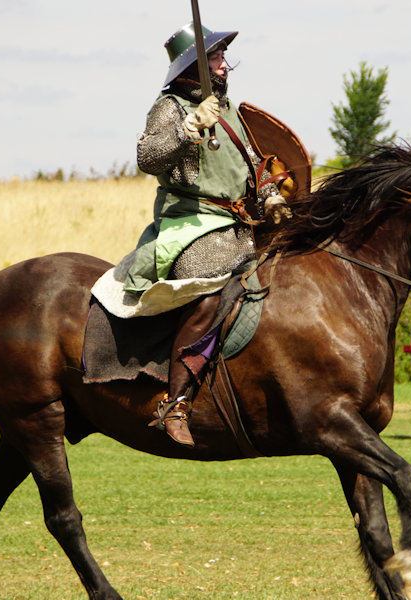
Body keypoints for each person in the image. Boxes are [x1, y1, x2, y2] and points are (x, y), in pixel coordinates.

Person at [127, 23, 291, 447]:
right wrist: (189, 128)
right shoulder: (170, 107)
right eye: (215, 58)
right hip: (191, 223)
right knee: (211, 291)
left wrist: (270, 196)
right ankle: (175, 401)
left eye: (221, 57)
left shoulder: (227, 108)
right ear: (192, 69)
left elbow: (253, 161)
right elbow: (147, 157)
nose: (223, 65)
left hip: (238, 224)